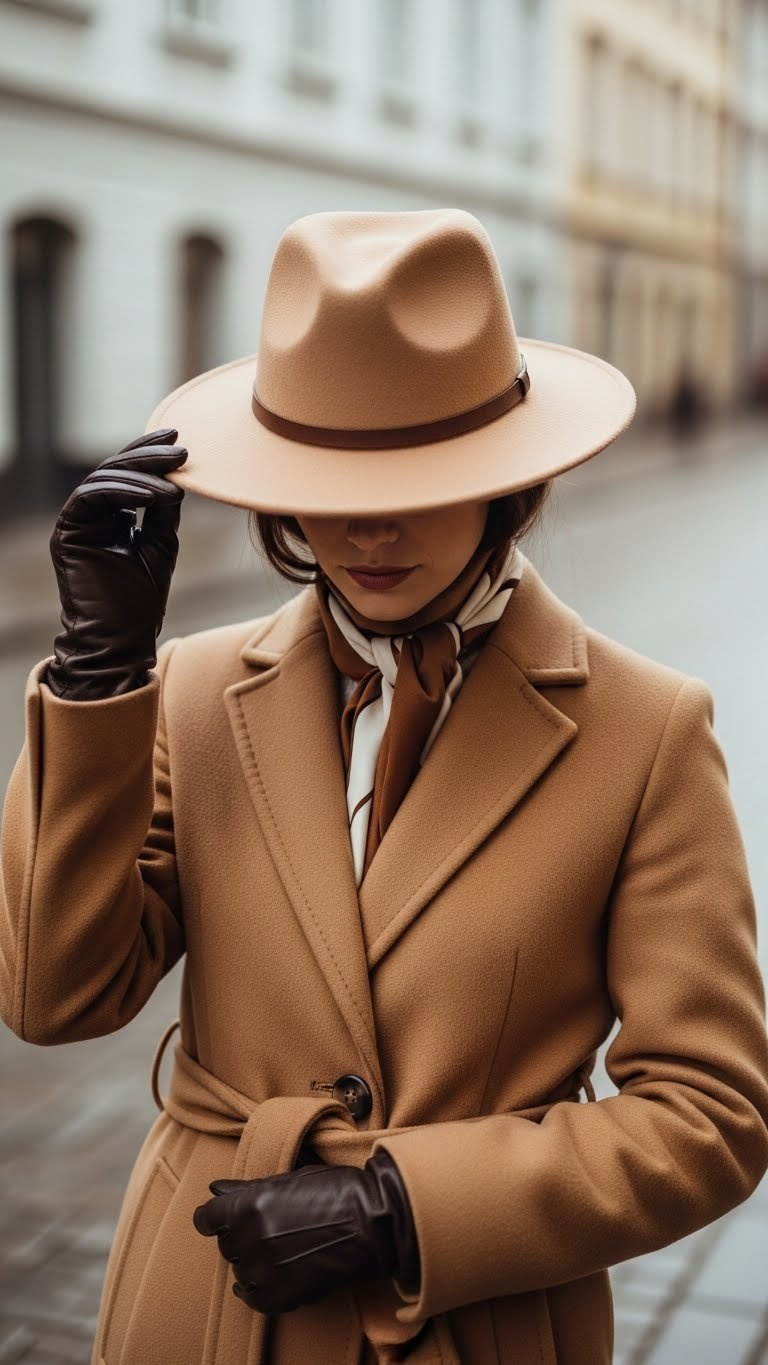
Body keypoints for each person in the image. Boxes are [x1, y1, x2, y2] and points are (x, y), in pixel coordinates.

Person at [1, 208, 767, 1365]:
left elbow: (713, 1117)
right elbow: (57, 997)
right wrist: (94, 680)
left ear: (511, 477)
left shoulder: (647, 729)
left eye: (420, 472)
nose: (364, 524)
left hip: (480, 1319)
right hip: (202, 1311)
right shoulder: (193, 691)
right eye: (322, 475)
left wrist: (406, 1205)